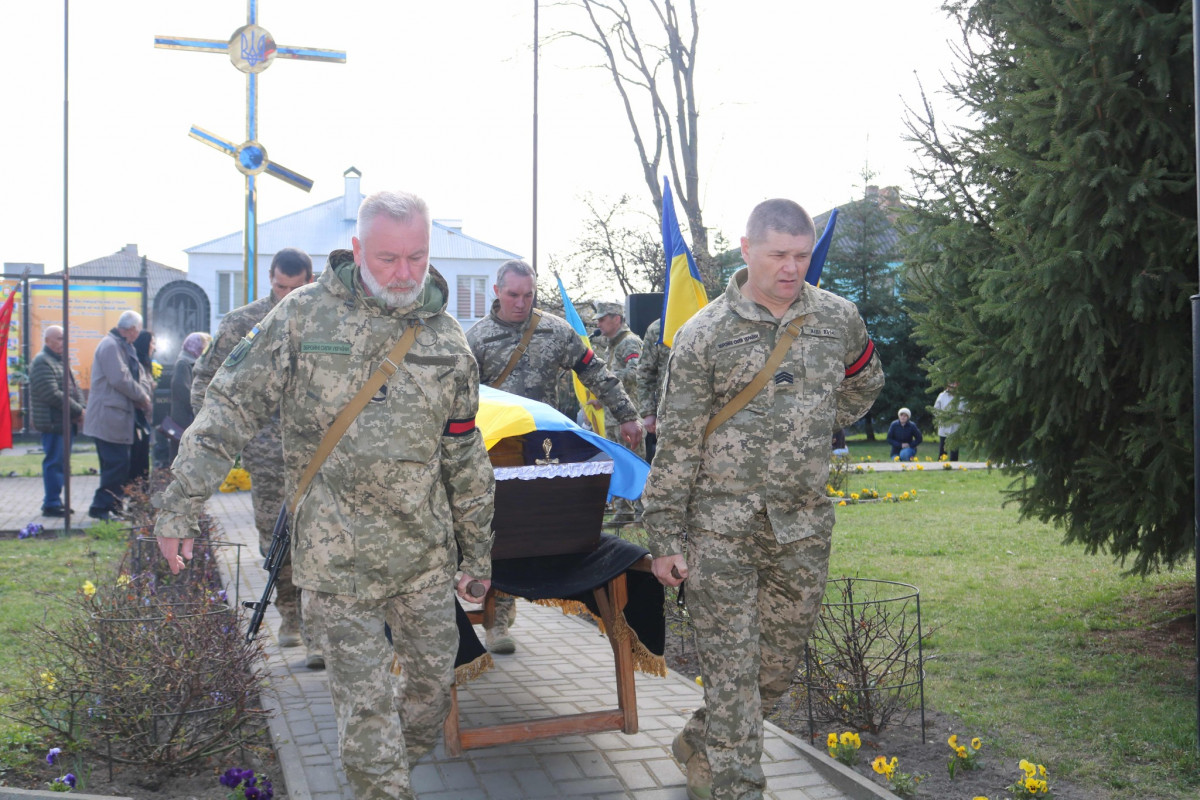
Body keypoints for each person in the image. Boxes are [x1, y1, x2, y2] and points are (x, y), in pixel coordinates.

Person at [155, 190, 495, 800]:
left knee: (427, 699)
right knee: (367, 725)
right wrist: (181, 502)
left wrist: (478, 556)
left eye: (417, 257)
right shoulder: (301, 318)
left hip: (423, 560)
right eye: (389, 258)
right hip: (336, 562)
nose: (405, 273)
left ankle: (386, 767)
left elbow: (465, 454)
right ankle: (380, 780)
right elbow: (228, 406)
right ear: (358, 249)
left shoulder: (448, 341)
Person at [643, 198, 884, 800]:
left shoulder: (838, 317)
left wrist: (815, 421)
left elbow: (866, 381)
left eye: (801, 256)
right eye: (778, 255)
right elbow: (676, 443)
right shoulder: (704, 335)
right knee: (731, 673)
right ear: (746, 249)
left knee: (774, 670)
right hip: (719, 530)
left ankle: (701, 742)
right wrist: (665, 539)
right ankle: (736, 786)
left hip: (801, 527)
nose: (791, 268)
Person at [465, 259, 643, 655]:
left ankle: (549, 590)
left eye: (528, 295)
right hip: (495, 449)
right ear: (497, 291)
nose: (521, 303)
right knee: (497, 530)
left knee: (539, 528)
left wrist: (627, 416)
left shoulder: (554, 330)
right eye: (513, 295)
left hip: (546, 448)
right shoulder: (475, 339)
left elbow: (595, 371)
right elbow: (458, 397)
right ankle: (497, 620)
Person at [191, 248, 319, 664]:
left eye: (295, 289)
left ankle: (318, 629)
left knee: (318, 539)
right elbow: (207, 381)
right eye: (280, 286)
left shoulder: (323, 322)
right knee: (274, 538)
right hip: (266, 454)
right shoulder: (243, 323)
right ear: (270, 278)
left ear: (309, 282)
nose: (285, 296)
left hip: (318, 455)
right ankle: (291, 617)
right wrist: (222, 436)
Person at [83, 310, 152, 521]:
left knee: (120, 464)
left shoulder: (123, 345)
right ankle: (100, 507)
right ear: (131, 329)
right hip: (109, 418)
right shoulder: (110, 345)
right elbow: (120, 379)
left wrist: (145, 390)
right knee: (116, 464)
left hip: (117, 418)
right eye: (137, 332)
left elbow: (138, 374)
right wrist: (143, 397)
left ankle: (113, 505)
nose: (137, 336)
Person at [29, 325, 85, 516]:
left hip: (65, 421)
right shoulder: (41, 362)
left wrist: (81, 408)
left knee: (62, 463)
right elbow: (52, 394)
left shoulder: (61, 361)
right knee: (54, 462)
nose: (63, 342)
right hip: (53, 423)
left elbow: (75, 388)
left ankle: (56, 500)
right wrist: (78, 410)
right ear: (47, 341)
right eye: (59, 338)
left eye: (64, 338)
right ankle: (51, 503)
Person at [595, 301, 645, 460]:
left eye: (602, 319)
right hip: (612, 419)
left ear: (616, 319)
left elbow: (637, 372)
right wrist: (601, 399)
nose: (598, 324)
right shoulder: (612, 346)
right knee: (616, 469)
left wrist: (607, 378)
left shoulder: (629, 342)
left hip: (629, 419)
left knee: (631, 467)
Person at [169, 332, 210, 464]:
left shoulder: (190, 361)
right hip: (184, 418)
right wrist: (196, 404)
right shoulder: (184, 363)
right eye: (205, 346)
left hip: (188, 416)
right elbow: (181, 388)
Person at [637, 316, 668, 463]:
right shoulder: (658, 328)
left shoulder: (709, 320)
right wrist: (649, 412)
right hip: (669, 413)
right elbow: (645, 373)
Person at [130, 330, 157, 482]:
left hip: (144, 415)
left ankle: (141, 490)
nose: (154, 347)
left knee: (144, 454)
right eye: (152, 343)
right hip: (137, 416)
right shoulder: (136, 362)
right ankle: (137, 490)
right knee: (137, 456)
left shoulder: (147, 362)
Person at [934, 383, 964, 461]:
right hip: (944, 426)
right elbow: (935, 410)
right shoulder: (942, 396)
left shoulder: (962, 396)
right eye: (951, 384)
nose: (953, 386)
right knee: (942, 450)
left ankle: (954, 467)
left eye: (954, 383)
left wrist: (958, 417)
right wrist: (944, 416)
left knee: (954, 450)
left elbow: (966, 411)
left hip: (956, 426)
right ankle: (940, 466)